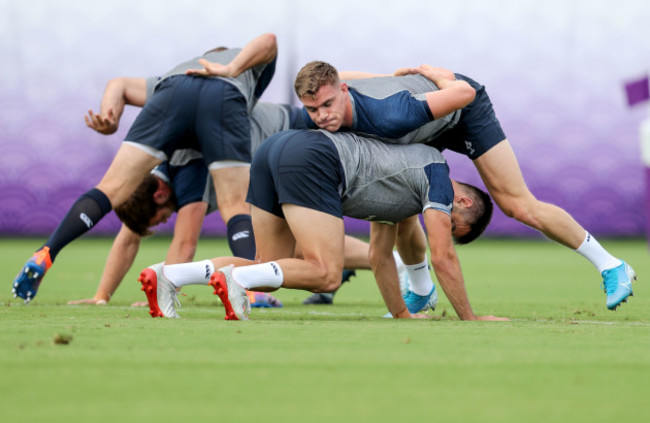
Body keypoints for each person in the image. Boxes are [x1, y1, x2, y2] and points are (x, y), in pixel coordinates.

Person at [293, 61, 637, 311]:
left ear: (340, 94)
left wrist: (438, 76)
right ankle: (421, 290)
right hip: (417, 129)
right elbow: (352, 78)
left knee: (517, 204)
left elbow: (465, 92)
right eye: (314, 109)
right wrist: (395, 76)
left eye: (326, 106)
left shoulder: (392, 114)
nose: (321, 115)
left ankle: (610, 265)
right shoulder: (336, 99)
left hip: (461, 112)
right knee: (398, 199)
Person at [12, 33, 278, 303]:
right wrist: (232, 69)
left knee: (110, 188)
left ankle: (47, 251)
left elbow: (119, 84)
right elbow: (268, 41)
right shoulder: (244, 71)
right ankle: (253, 290)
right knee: (234, 206)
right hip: (223, 97)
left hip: (173, 94)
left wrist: (109, 114)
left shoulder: (178, 76)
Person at [139, 129, 508, 322]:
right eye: (453, 223)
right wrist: (470, 317)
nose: (440, 227)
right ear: (462, 201)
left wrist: (401, 315)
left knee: (267, 266)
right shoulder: (435, 175)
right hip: (314, 156)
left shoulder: (402, 195)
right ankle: (239, 283)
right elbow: (442, 258)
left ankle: (169, 276)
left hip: (275, 148)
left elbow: (380, 256)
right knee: (326, 274)